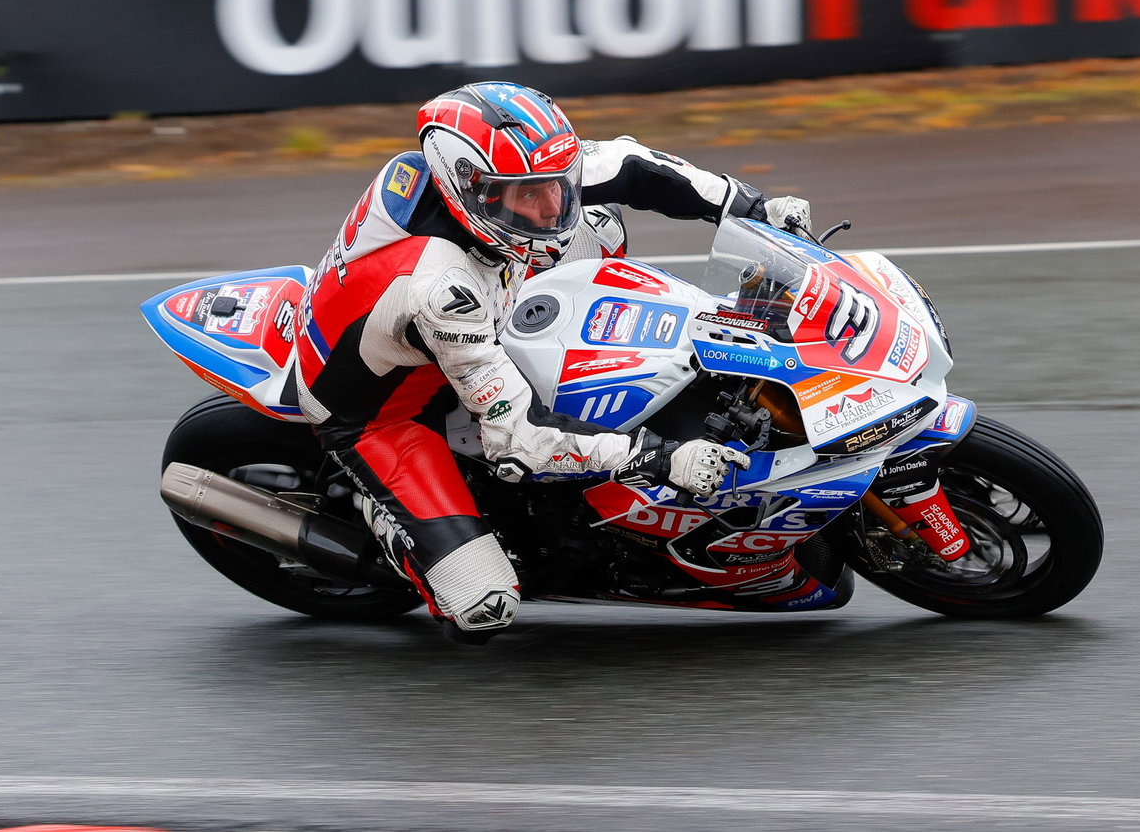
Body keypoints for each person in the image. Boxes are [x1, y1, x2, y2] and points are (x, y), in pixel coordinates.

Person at [294, 81, 812, 641]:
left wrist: (756, 209)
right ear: (471, 191)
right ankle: (391, 528)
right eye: (529, 197)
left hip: (456, 313)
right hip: (381, 413)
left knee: (601, 224)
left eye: (557, 187)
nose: (552, 209)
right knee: (482, 606)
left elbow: (636, 166)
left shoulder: (512, 176)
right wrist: (663, 459)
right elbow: (520, 442)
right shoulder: (440, 287)